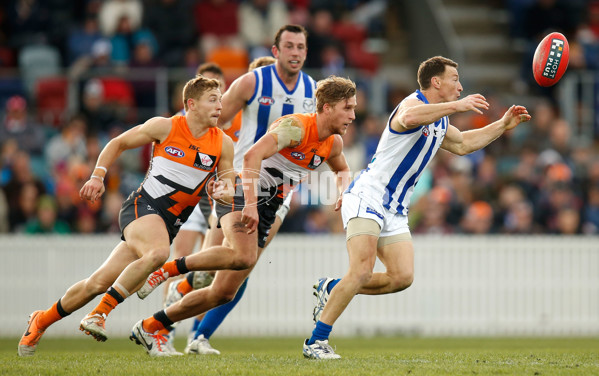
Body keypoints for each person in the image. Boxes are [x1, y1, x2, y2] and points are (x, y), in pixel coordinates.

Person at [302, 56, 532, 359]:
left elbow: (462, 144)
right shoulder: (411, 105)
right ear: (436, 82)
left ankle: (332, 287)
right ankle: (316, 342)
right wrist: (457, 106)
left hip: (395, 208)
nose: (460, 87)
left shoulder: (440, 119)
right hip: (368, 196)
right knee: (360, 271)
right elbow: (410, 119)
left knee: (401, 277)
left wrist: (502, 125)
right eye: (455, 79)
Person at [17, 75, 246, 357]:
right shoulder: (165, 126)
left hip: (169, 223)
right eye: (213, 99)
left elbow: (226, 189)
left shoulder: (223, 143)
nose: (220, 106)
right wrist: (97, 177)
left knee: (97, 284)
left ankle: (42, 319)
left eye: (221, 100)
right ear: (191, 104)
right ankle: (99, 315)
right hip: (142, 207)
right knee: (159, 253)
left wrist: (220, 190)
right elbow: (118, 143)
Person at [130, 75, 356, 357]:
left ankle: (151, 325)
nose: (353, 115)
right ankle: (170, 270)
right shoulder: (296, 127)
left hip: (268, 207)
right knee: (243, 258)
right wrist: (249, 204)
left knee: (222, 292)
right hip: (242, 192)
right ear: (327, 108)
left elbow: (342, 170)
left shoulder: (332, 143)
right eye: (347, 108)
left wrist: (344, 192)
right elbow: (251, 156)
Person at [139, 24, 317, 355]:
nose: (295, 52)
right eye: (289, 46)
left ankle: (196, 335)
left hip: (280, 195)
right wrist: (210, 172)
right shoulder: (252, 83)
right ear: (276, 51)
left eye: (301, 47)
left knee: (237, 273)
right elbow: (213, 126)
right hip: (241, 186)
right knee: (216, 270)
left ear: (307, 52)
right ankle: (170, 305)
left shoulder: (313, 91)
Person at [161, 56, 277, 355]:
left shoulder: (243, 118)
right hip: (195, 194)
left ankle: (194, 334)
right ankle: (166, 330)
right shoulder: (184, 121)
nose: (219, 99)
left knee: (226, 268)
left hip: (226, 193)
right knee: (188, 255)